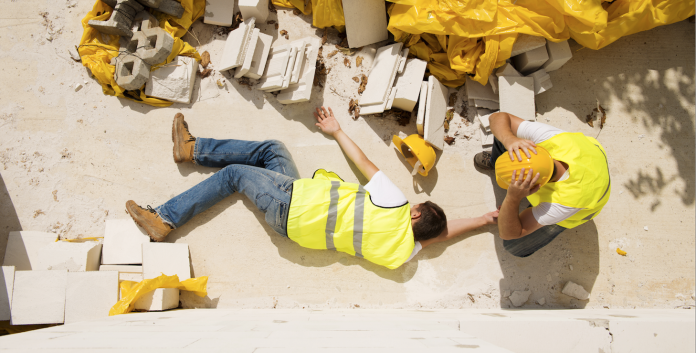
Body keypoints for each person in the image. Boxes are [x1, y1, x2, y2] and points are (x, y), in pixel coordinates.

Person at [127, 108, 498, 269]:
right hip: (295, 224)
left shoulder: (396, 204)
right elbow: (441, 236)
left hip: (290, 203)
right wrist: (481, 220)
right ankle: (190, 150)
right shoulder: (402, 253)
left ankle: (165, 219)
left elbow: (364, 163)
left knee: (235, 175)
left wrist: (337, 130)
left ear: (415, 213)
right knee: (273, 150)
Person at [473, 112, 610, 257]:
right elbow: (498, 117)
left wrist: (512, 198)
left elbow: (509, 234)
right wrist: (510, 140)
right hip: (589, 159)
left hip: (586, 198)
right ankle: (497, 159)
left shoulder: (562, 203)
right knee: (504, 132)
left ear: (532, 188)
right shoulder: (552, 141)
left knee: (514, 245)